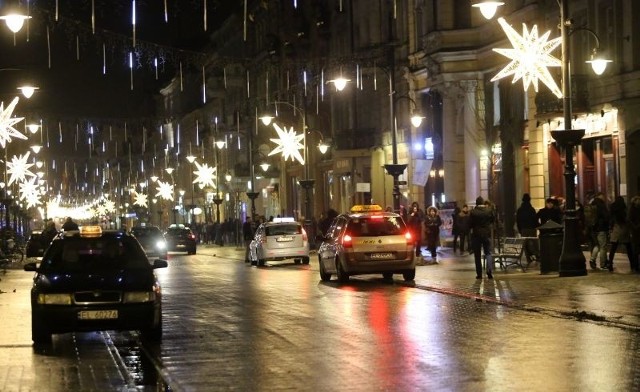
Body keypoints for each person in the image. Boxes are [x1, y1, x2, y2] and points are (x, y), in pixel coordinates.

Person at [607, 196, 634, 272]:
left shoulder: (613, 209)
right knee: (629, 248)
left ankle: (610, 264)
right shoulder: (623, 209)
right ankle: (632, 265)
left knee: (613, 248)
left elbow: (610, 219)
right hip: (624, 229)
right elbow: (627, 219)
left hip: (616, 229)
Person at [470, 196, 495, 279]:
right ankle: (489, 271)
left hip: (476, 235)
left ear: (476, 203)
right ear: (483, 203)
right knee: (488, 253)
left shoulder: (473, 212)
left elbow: (470, 224)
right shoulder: (489, 210)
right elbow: (493, 220)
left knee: (477, 255)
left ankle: (479, 274)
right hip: (486, 234)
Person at [588, 192, 610, 270]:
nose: (604, 197)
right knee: (603, 246)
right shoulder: (601, 205)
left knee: (597, 245)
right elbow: (606, 216)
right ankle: (603, 264)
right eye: (603, 196)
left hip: (593, 228)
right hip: (601, 228)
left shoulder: (591, 204)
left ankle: (592, 259)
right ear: (600, 196)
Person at [516, 193, 539, 262]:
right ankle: (537, 255)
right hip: (532, 228)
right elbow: (535, 219)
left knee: (525, 244)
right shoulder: (531, 209)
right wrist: (536, 226)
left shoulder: (520, 210)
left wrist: (520, 229)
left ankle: (528, 258)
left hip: (524, 229)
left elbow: (518, 220)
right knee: (535, 243)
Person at [629, 195, 640, 272]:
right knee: (636, 249)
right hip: (635, 231)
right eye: (638, 200)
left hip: (638, 231)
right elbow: (630, 220)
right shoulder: (632, 210)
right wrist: (635, 226)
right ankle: (636, 266)